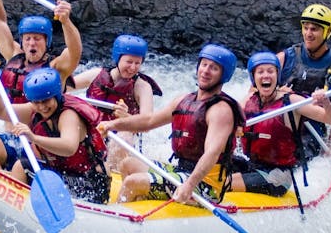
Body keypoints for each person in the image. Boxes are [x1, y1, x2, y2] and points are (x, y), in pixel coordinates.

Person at [97, 44, 244, 205]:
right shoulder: (184, 100)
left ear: (224, 75)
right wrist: (113, 124)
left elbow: (212, 153)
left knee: (133, 182)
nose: (206, 71)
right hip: (181, 171)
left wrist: (189, 185)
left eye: (214, 68)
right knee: (127, 164)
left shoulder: (221, 110)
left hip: (205, 184)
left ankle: (119, 217)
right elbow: (148, 121)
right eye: (204, 64)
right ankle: (138, 208)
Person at [0, 0, 84, 171]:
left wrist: (66, 22)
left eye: (37, 39)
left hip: (41, 142)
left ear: (47, 42)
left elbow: (75, 51)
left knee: (19, 164)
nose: (31, 44)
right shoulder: (13, 56)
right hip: (11, 136)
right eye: (27, 39)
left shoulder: (56, 68)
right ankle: (1, 191)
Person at [0, 61, 111, 204]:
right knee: (21, 165)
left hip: (89, 180)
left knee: (22, 167)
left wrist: (33, 137)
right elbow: (0, 111)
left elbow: (69, 147)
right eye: (36, 102)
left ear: (56, 95)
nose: (42, 107)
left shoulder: (68, 115)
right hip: (62, 173)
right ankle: (11, 206)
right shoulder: (34, 109)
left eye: (46, 100)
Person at [229, 51, 331, 196]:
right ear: (253, 77)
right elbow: (229, 118)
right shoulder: (250, 99)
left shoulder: (292, 102)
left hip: (277, 176)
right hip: (252, 165)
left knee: (224, 181)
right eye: (260, 72)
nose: (266, 76)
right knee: (213, 169)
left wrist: (325, 103)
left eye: (270, 71)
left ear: (277, 76)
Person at [69, 33, 163, 174]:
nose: (133, 68)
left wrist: (127, 117)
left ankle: (109, 174)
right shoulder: (96, 75)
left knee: (124, 135)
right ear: (117, 58)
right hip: (91, 132)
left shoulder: (142, 87)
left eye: (138, 63)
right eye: (129, 62)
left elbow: (147, 124)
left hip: (118, 138)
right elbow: (64, 87)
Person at [277, 3, 331, 154]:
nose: (308, 33)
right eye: (305, 28)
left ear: (327, 32)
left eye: (314, 29)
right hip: (281, 128)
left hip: (312, 136)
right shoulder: (284, 58)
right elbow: (256, 90)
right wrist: (278, 91)